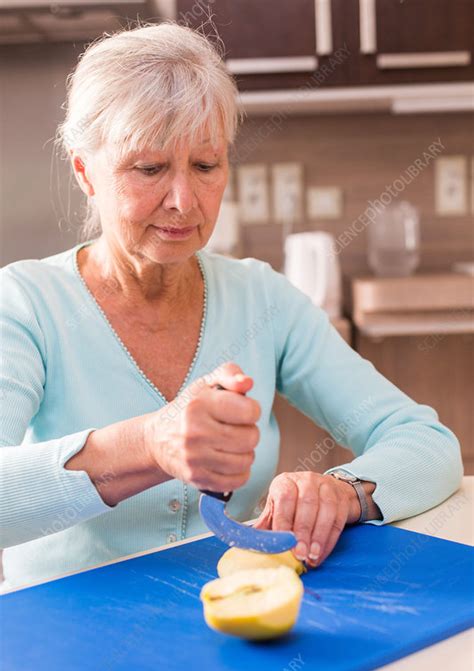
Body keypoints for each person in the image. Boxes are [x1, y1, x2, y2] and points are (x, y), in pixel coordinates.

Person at [0, 23, 463, 592]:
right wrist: (150, 442)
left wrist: (345, 491)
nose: (183, 201)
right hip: (57, 643)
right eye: (148, 168)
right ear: (84, 172)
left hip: (231, 621)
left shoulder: (261, 298)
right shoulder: (24, 303)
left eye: (205, 165)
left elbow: (427, 442)